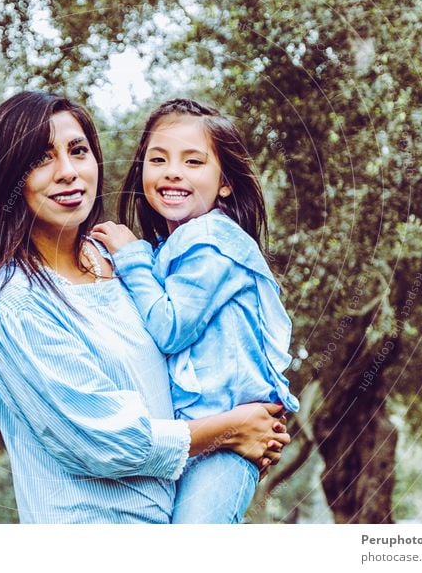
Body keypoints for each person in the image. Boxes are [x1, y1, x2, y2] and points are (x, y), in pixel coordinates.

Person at [0, 91, 290, 524]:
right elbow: (105, 441)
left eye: (78, 151)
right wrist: (232, 429)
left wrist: (249, 416)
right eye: (40, 159)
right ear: (8, 181)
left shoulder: (118, 263)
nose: (67, 172)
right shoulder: (18, 303)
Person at [91, 98, 299, 523]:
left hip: (228, 443)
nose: (173, 171)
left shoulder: (212, 241)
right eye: (159, 158)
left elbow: (169, 329)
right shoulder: (172, 249)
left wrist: (131, 257)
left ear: (225, 182)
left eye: (193, 161)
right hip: (200, 439)